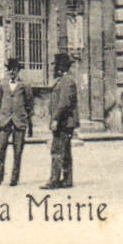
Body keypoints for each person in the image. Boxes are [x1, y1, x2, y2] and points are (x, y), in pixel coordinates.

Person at [0, 58, 33, 187]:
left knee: (17, 151)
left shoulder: (25, 85)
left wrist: (26, 118)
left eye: (14, 70)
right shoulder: (2, 84)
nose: (12, 72)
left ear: (18, 71)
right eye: (9, 70)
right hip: (4, 121)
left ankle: (14, 178)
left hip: (19, 121)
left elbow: (29, 104)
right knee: (0, 149)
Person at [42, 53, 78, 189]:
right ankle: (67, 180)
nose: (54, 69)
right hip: (66, 121)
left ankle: (54, 180)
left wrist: (55, 119)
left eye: (56, 66)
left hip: (64, 121)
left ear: (60, 67)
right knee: (65, 151)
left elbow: (64, 103)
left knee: (57, 150)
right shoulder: (64, 80)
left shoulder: (66, 81)